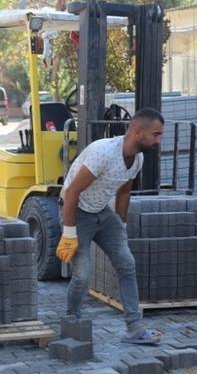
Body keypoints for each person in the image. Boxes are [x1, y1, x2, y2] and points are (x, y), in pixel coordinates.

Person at [56, 108, 166, 344]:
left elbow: (124, 191)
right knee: (83, 274)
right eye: (156, 135)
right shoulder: (103, 152)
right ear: (138, 132)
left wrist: (121, 226)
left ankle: (135, 329)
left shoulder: (138, 158)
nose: (159, 140)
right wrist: (69, 233)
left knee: (126, 263)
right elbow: (72, 192)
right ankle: (72, 319)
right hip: (76, 211)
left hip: (102, 214)